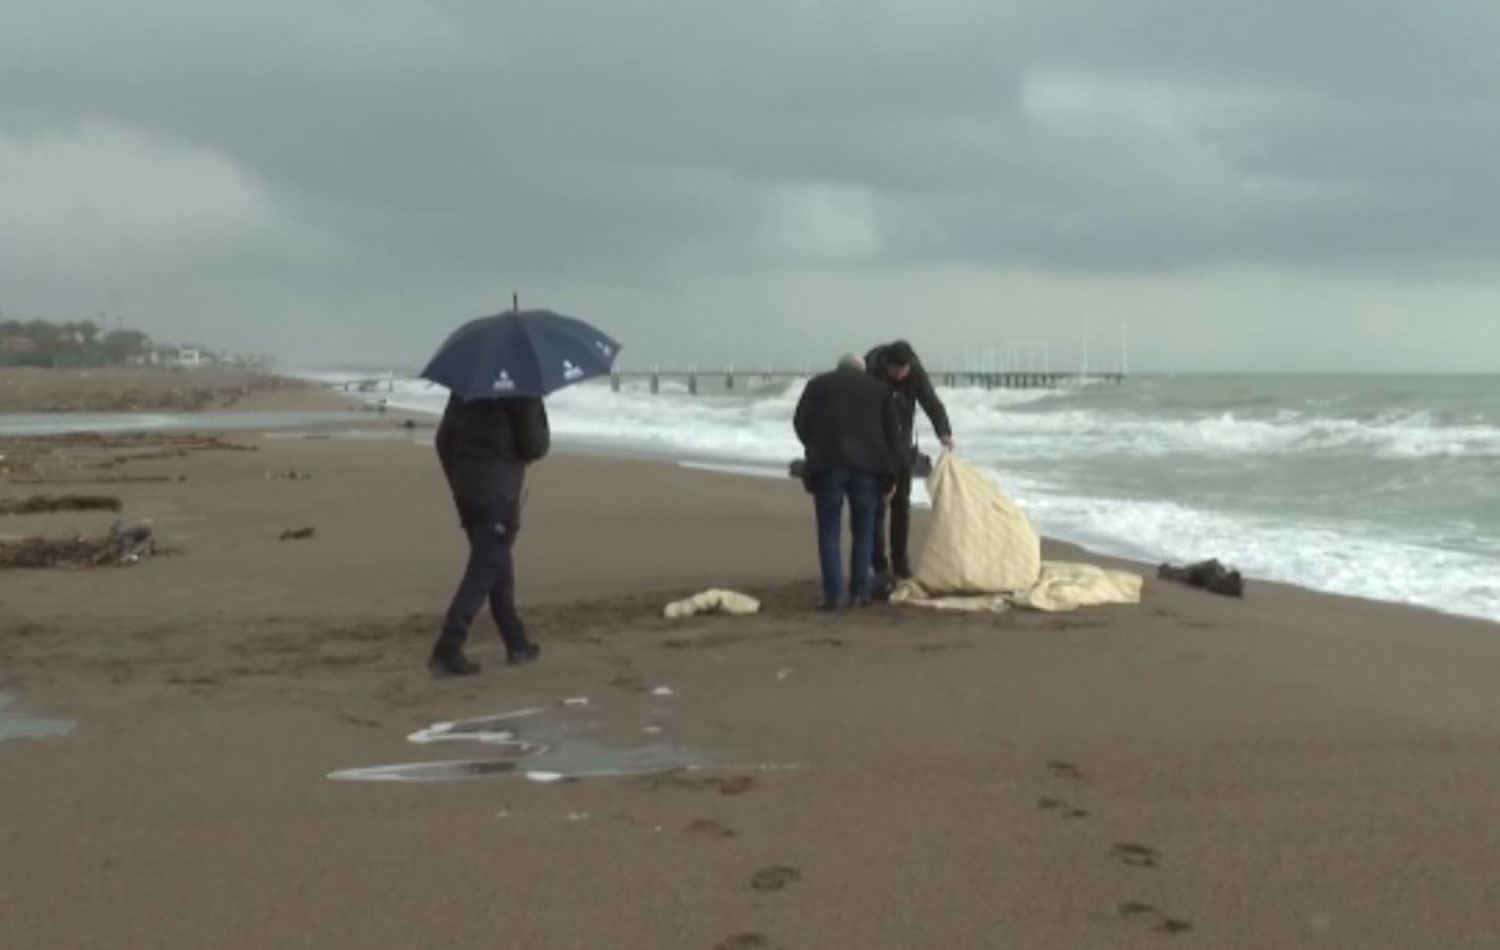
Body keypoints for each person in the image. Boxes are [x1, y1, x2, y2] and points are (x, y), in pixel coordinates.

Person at [429, 393, 550, 676]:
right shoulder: (521, 391)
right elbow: (534, 445)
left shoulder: (464, 391)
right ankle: (450, 643)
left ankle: (515, 640)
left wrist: (458, 480)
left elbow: (443, 441)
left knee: (494, 559)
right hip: (498, 490)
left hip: (468, 489)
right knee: (485, 566)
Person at [794, 353, 905, 610]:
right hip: (867, 469)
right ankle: (859, 592)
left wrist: (815, 445)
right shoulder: (880, 391)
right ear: (862, 369)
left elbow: (801, 422)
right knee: (864, 531)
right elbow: (893, 435)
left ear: (839, 367)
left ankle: (833, 595)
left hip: (827, 465)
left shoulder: (817, 385)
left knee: (829, 531)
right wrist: (892, 474)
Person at [865, 340, 954, 579]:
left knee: (901, 505)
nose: (900, 375)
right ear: (887, 365)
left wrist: (944, 432)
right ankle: (878, 563)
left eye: (904, 370)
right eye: (896, 370)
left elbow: (931, 403)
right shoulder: (872, 371)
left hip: (903, 445)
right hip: (876, 447)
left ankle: (900, 562)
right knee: (876, 507)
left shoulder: (915, 373)